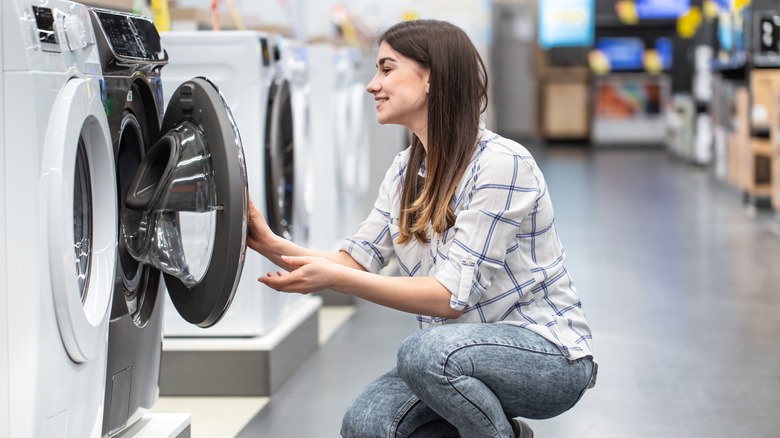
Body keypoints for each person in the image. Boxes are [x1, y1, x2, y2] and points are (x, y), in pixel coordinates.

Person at [247, 19, 596, 438]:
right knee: (366, 424)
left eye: (386, 68)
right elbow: (353, 260)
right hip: (455, 355)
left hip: (546, 356)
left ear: (430, 77)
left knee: (422, 354)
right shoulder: (403, 172)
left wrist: (340, 280)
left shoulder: (502, 164)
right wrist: (266, 241)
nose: (371, 85)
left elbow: (449, 299)